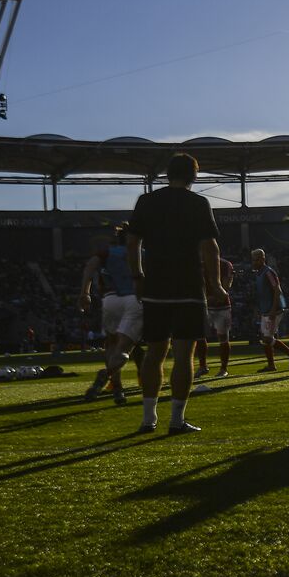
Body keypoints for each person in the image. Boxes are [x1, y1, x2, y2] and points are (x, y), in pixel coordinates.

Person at [125, 153, 229, 435]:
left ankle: (148, 419)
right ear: (194, 176)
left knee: (154, 352)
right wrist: (216, 284)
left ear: (167, 173)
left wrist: (137, 275)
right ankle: (176, 420)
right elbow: (210, 247)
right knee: (184, 355)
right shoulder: (197, 203)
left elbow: (132, 241)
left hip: (156, 286)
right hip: (188, 287)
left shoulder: (147, 201)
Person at [80, 222, 141, 407]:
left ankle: (118, 390)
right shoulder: (140, 253)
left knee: (111, 346)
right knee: (124, 349)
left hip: (110, 300)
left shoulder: (107, 253)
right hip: (133, 299)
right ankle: (105, 375)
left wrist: (85, 293)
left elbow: (90, 267)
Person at [250, 249, 289, 372]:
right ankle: (272, 365)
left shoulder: (268, 272)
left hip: (274, 310)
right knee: (265, 338)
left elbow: (277, 290)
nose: (254, 262)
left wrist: (273, 309)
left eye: (256, 259)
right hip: (266, 310)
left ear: (262, 258)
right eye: (253, 260)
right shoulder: (259, 273)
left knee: (267, 338)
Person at [195, 256, 236, 379]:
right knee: (200, 336)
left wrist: (210, 298)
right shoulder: (201, 264)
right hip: (207, 305)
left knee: (223, 337)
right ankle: (203, 366)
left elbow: (226, 287)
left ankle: (223, 368)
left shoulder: (225, 264)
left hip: (221, 306)